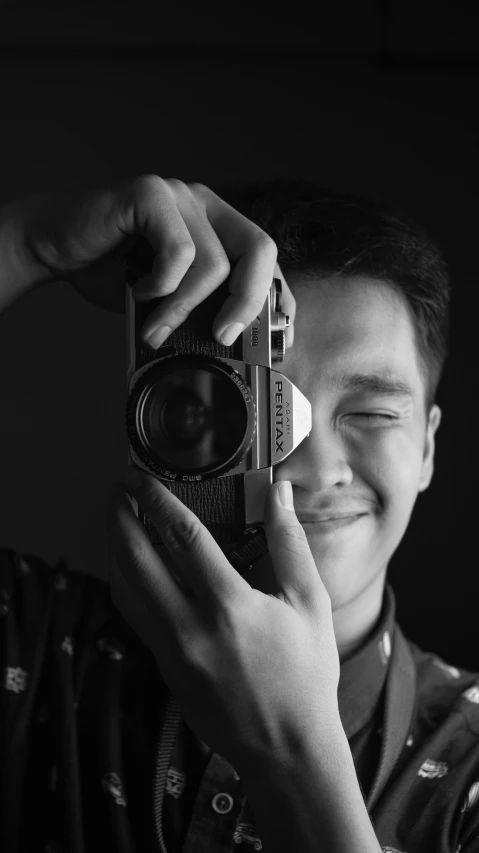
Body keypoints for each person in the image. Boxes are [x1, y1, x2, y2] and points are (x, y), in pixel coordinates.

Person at [0, 175, 477, 853]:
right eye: (254, 414)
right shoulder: (44, 651)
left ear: (426, 447)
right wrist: (29, 244)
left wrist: (292, 753)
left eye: (370, 413)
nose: (310, 464)